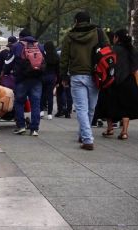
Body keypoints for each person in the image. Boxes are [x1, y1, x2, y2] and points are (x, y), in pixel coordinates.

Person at [60, 11, 108, 150]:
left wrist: (63, 75)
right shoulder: (99, 33)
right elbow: (108, 50)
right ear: (90, 20)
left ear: (76, 21)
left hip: (77, 75)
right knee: (91, 108)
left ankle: (85, 136)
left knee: (82, 108)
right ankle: (86, 137)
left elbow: (64, 57)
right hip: (96, 74)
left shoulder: (69, 36)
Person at [97, 29, 138, 140]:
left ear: (117, 38)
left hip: (112, 81)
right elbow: (135, 69)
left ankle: (110, 129)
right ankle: (124, 132)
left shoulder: (111, 49)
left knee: (109, 104)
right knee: (126, 106)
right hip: (128, 81)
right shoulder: (132, 50)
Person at [8, 28, 44, 136]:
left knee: (19, 102)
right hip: (37, 78)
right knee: (36, 104)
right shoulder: (40, 46)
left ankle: (21, 126)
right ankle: (34, 129)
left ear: (20, 37)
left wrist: (4, 72)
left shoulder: (17, 46)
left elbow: (9, 62)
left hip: (22, 79)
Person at [40, 41, 59, 120]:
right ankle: (50, 114)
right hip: (52, 76)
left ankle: (41, 111)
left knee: (42, 94)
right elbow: (58, 70)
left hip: (43, 76)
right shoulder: (56, 56)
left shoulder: (43, 56)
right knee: (50, 95)